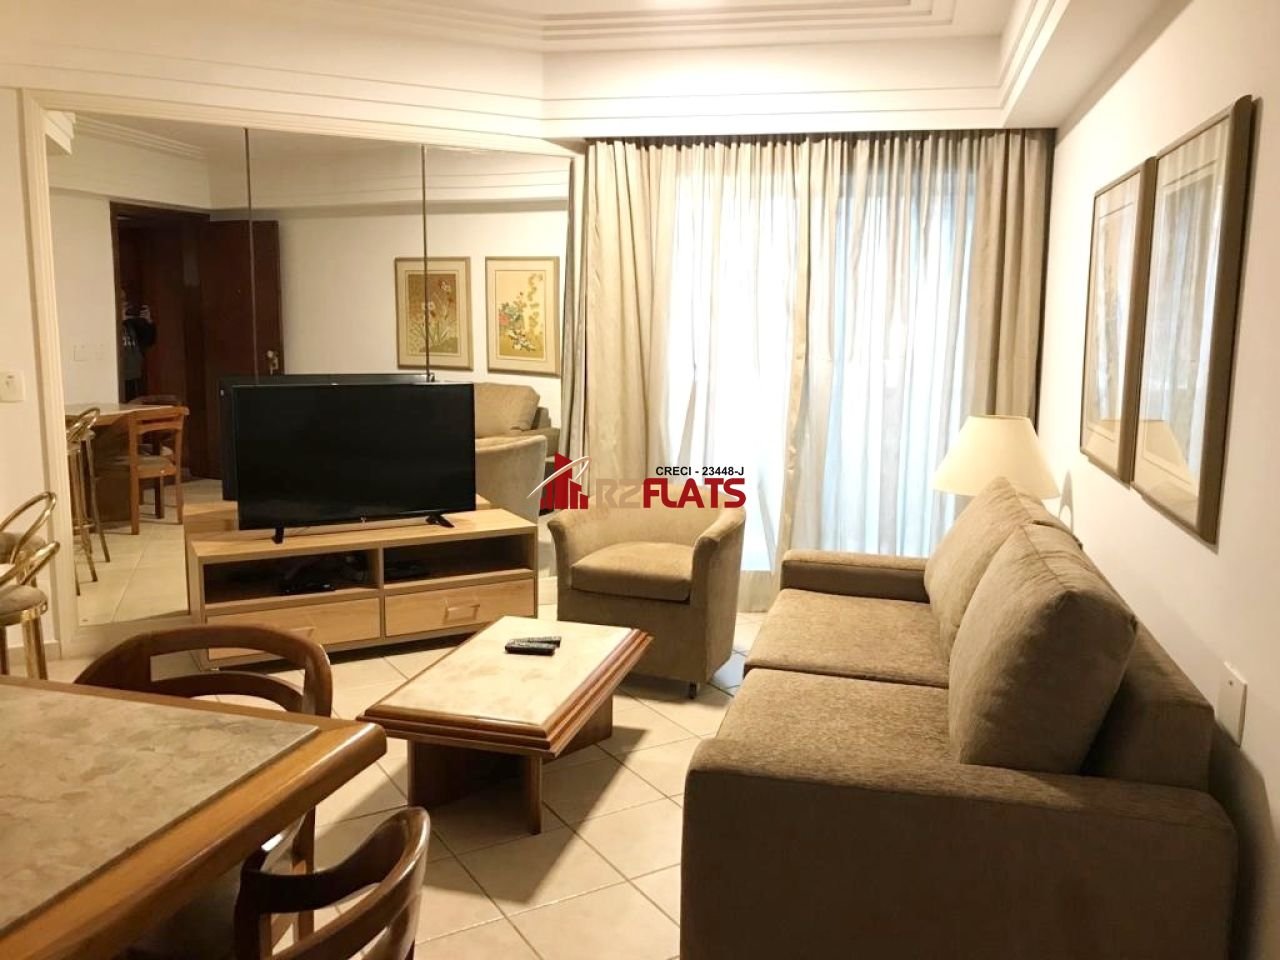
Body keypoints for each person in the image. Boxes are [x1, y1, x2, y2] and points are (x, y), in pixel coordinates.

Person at [121, 301, 155, 401]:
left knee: (136, 403)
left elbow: (149, 341)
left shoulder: (132, 324)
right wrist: (119, 320)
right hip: (121, 375)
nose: (126, 306)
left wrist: (148, 322)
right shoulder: (111, 324)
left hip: (135, 373)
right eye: (122, 301)